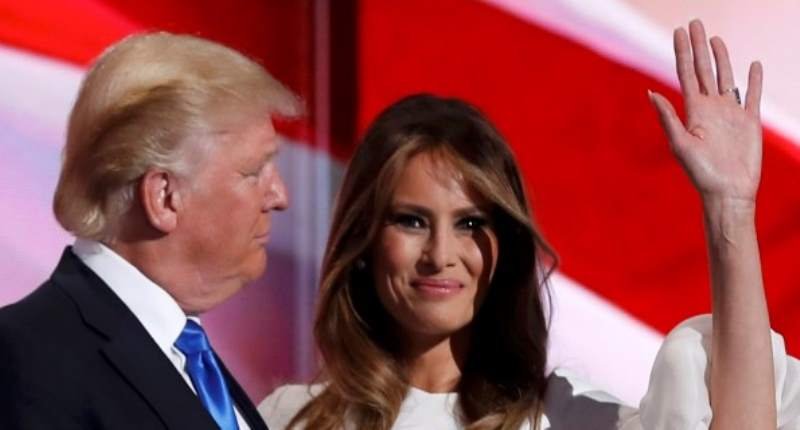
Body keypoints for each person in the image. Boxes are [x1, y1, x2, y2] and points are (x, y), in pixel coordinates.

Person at [258, 20, 799, 429]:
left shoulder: (561, 416)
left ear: (507, 246)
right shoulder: (292, 419)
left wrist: (730, 207)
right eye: (411, 221)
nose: (441, 254)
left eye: (471, 223)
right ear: (365, 239)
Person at [0, 32, 301, 429]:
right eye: (253, 172)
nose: (280, 196)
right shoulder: (27, 359)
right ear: (164, 197)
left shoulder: (189, 358)